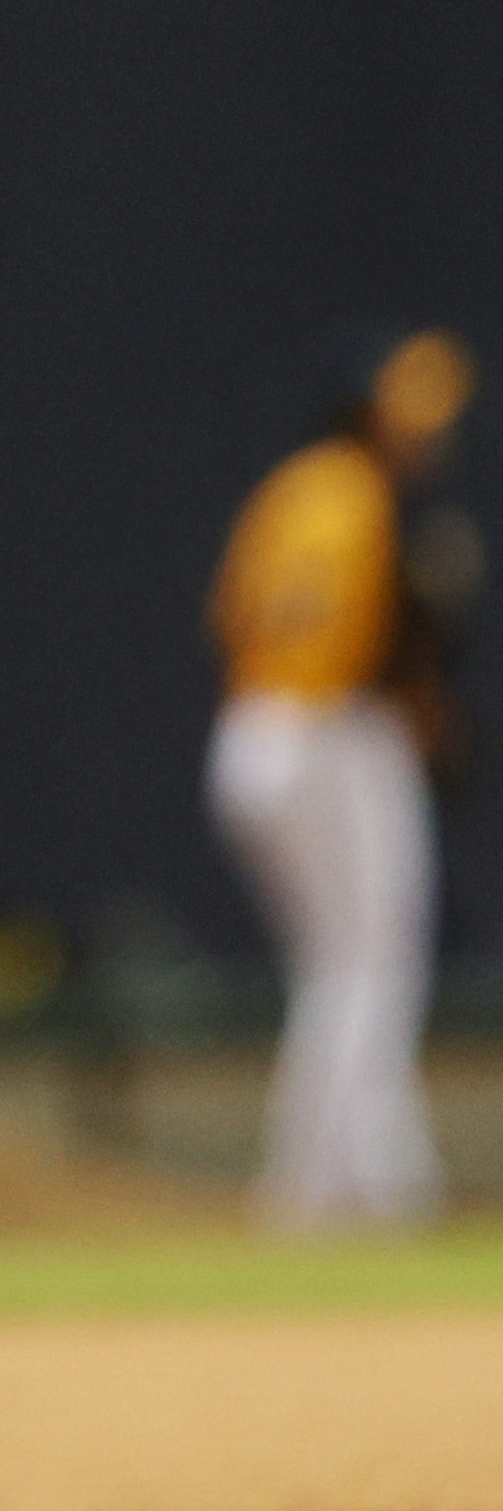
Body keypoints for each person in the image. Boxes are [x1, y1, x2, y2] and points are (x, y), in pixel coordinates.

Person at [206, 330, 475, 1228]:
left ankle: (319, 1184)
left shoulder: (293, 489)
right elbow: (391, 642)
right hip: (335, 734)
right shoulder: (370, 500)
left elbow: (231, 614)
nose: (422, 436)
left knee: (340, 970)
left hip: (249, 734)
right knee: (372, 964)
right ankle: (372, 1185)